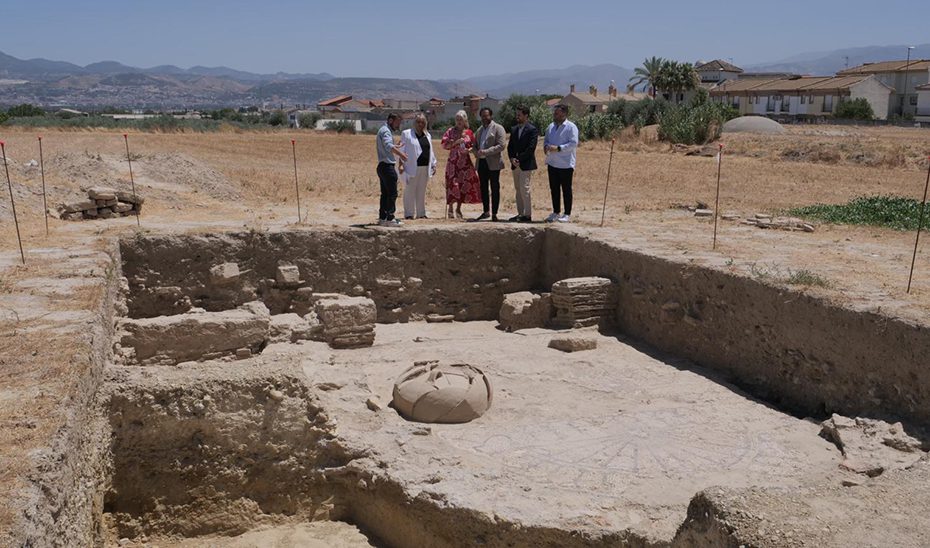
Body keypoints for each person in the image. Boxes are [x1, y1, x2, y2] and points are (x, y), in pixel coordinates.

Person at [440, 110, 482, 219]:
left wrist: (469, 150)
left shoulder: (469, 132)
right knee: (452, 184)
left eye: (461, 120)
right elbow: (444, 145)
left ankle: (458, 208)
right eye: (457, 119)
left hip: (465, 163)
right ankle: (450, 208)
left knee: (462, 185)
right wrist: (455, 142)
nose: (458, 122)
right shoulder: (450, 131)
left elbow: (473, 145)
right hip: (453, 162)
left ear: (465, 121)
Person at [543, 104, 579, 223]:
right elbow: (546, 140)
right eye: (554, 113)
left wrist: (558, 148)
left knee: (566, 189)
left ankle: (567, 213)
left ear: (564, 114)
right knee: (554, 188)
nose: (555, 115)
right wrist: (546, 147)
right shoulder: (551, 126)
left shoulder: (571, 127)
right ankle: (556, 211)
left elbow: (573, 143)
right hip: (552, 163)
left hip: (565, 164)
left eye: (557, 113)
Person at [399, 113, 437, 219]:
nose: (420, 124)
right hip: (411, 167)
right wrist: (401, 164)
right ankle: (409, 214)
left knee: (421, 191)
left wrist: (434, 165)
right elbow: (401, 150)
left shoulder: (427, 135)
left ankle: (421, 213)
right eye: (418, 122)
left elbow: (431, 151)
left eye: (422, 122)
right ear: (414, 122)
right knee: (410, 191)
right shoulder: (406, 134)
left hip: (425, 167)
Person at [471, 107, 507, 221]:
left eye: (486, 115)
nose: (484, 118)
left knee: (495, 188)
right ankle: (486, 211)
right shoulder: (479, 130)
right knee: (483, 188)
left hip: (494, 163)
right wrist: (476, 152)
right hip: (481, 162)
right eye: (482, 116)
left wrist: (486, 152)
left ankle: (495, 213)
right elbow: (474, 145)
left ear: (491, 116)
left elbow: (501, 145)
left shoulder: (498, 128)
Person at [506, 105, 538, 222]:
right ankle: (520, 213)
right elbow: (510, 147)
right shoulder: (514, 129)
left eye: (519, 115)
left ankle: (527, 214)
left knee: (525, 188)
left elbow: (531, 148)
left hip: (526, 164)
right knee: (518, 188)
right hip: (515, 164)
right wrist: (512, 159)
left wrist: (519, 159)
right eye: (516, 114)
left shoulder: (532, 130)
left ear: (526, 115)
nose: (517, 117)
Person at [375, 113, 407, 226]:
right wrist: (402, 155)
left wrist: (395, 146)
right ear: (390, 121)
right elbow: (388, 146)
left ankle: (383, 218)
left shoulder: (383, 130)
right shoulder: (386, 131)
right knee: (392, 194)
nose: (398, 125)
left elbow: (387, 146)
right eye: (397, 122)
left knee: (385, 194)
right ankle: (390, 218)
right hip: (387, 167)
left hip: (382, 166)